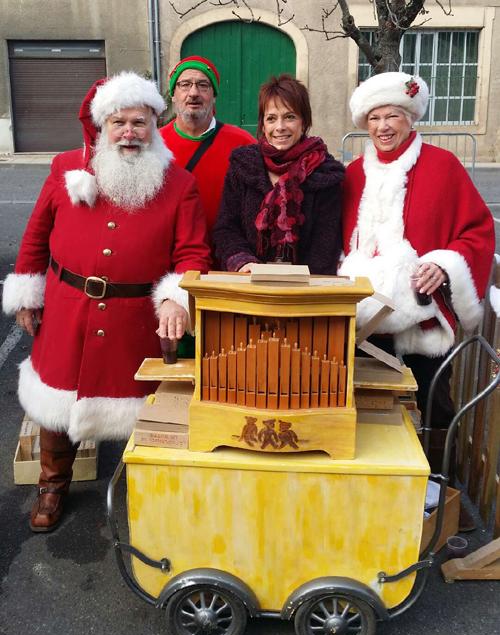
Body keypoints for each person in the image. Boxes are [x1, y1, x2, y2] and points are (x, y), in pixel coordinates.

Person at [2, 71, 211, 532]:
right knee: (55, 401)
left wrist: (176, 297)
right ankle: (53, 484)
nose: (130, 133)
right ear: (102, 126)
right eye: (119, 122)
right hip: (66, 305)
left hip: (134, 318)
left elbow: (193, 251)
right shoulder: (64, 169)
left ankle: (148, 488)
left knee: (142, 406)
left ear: (156, 123)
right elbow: (37, 235)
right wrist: (27, 292)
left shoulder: (178, 183)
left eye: (140, 122)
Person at [340, 72, 494, 517]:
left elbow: (477, 232)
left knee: (431, 406)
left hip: (421, 320)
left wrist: (442, 265)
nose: (383, 126)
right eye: (374, 117)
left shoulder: (443, 166)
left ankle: (442, 500)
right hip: (361, 320)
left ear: (410, 118)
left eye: (393, 116)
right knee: (367, 409)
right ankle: (375, 500)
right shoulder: (352, 174)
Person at [212, 74, 344, 274]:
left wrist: (293, 286)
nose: (280, 127)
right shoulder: (243, 166)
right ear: (263, 125)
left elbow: (326, 244)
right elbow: (226, 228)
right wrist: (242, 261)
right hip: (248, 288)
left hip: (306, 293)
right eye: (271, 118)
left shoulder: (325, 173)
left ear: (304, 122)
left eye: (289, 117)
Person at [160, 55, 255, 237]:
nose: (194, 93)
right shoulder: (154, 144)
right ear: (173, 95)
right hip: (173, 260)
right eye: (185, 84)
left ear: (214, 95)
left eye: (203, 85)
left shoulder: (243, 144)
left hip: (228, 259)